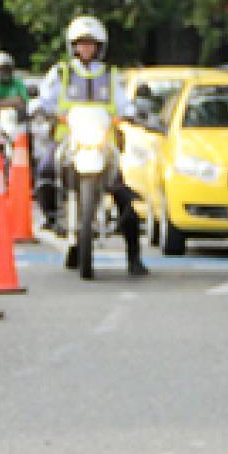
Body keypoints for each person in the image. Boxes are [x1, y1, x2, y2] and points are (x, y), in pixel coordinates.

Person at [37, 14, 148, 276]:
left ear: (100, 46)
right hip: (68, 138)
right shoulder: (61, 72)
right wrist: (41, 109)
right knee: (44, 170)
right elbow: (45, 99)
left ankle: (134, 257)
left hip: (102, 142)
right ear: (72, 46)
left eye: (91, 43)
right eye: (81, 43)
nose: (86, 48)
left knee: (123, 193)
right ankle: (52, 218)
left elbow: (123, 102)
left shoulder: (110, 74)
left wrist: (131, 112)